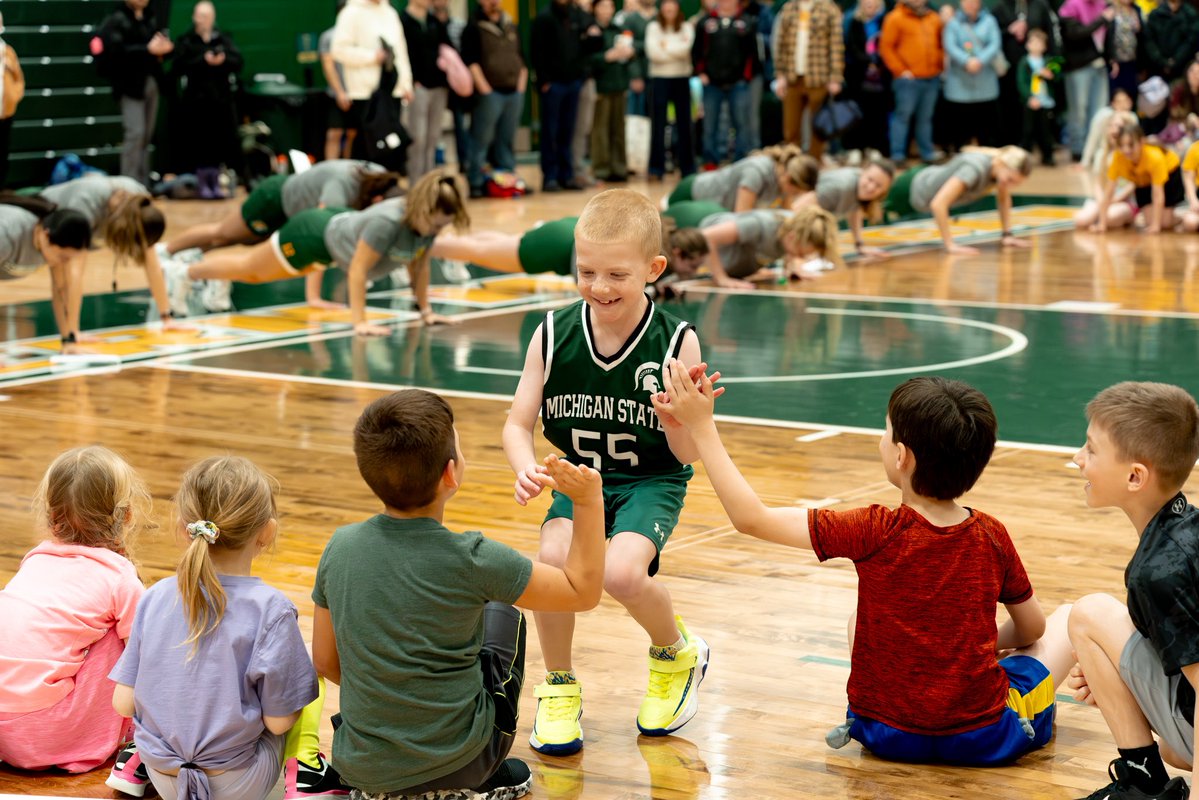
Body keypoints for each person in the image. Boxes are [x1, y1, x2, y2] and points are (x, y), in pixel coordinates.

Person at [654, 370, 1076, 766]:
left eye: (886, 431)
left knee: (863, 616)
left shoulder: (872, 529)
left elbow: (752, 518)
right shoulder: (991, 534)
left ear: (901, 456)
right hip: (982, 738)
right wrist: (974, 644)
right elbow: (1032, 628)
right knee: (1070, 618)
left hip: (883, 733)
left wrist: (702, 427)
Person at [311, 390, 606, 797]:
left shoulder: (339, 546)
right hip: (464, 760)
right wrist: (588, 502)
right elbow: (581, 592)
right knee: (501, 606)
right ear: (451, 473)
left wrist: (392, 696)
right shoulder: (475, 558)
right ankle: (477, 777)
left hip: (363, 765)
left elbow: (325, 661)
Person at [503, 189, 713, 756]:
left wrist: (676, 420)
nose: (599, 287)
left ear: (653, 269)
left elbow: (687, 453)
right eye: (586, 271)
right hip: (578, 479)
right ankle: (559, 685)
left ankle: (675, 653)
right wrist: (526, 468)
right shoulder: (552, 332)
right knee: (550, 565)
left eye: (617, 274)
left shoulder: (676, 340)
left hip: (650, 478)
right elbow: (517, 424)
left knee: (621, 575)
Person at [109, 456, 346, 800]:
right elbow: (278, 723)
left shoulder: (154, 596)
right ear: (267, 531)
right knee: (307, 666)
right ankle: (305, 767)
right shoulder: (272, 608)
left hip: (163, 775)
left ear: (184, 528)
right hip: (238, 784)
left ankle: (132, 764)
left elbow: (123, 703)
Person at [1066, 382, 1199, 800]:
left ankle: (1143, 781)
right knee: (1173, 750)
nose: (1078, 458)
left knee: (1087, 614)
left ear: (1135, 476)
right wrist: (1117, 678)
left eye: (1091, 449)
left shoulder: (1157, 573)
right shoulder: (1188, 524)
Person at [163, 172, 468, 335]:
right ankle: (185, 273)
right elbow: (358, 270)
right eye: (435, 224)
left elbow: (420, 266)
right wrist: (359, 322)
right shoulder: (387, 222)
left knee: (251, 269)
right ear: (423, 210)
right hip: (311, 235)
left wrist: (426, 312)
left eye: (442, 226)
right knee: (251, 270)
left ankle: (197, 273)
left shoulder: (426, 226)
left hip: (330, 240)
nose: (436, 231)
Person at [0, 447, 146, 773]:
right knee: (124, 636)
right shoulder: (120, 578)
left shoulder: (34, 559)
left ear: (51, 516)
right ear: (126, 515)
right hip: (45, 735)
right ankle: (133, 739)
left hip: (3, 736)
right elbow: (147, 660)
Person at [157, 160, 400, 313]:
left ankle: (204, 270)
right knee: (223, 234)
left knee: (243, 249)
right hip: (275, 200)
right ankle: (166, 252)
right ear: (377, 199)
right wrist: (313, 297)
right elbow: (324, 233)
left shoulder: (380, 178)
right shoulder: (343, 185)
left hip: (294, 215)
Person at [40, 174, 178, 328]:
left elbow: (152, 264)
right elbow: (71, 277)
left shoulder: (139, 202)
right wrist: (72, 334)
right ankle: (69, 332)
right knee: (61, 272)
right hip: (40, 220)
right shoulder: (85, 207)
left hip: (86, 216)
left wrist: (166, 318)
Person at [429, 212, 711, 278]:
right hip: (559, 246)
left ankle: (439, 244)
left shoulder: (656, 233)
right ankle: (425, 247)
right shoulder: (653, 252)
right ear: (677, 253)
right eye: (693, 265)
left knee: (504, 243)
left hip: (567, 229)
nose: (693, 271)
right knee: (479, 253)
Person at [884, 146, 1033, 253]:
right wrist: (950, 245)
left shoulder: (999, 172)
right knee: (875, 214)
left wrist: (1007, 235)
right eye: (1010, 179)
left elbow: (1004, 200)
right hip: (910, 188)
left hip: (921, 193)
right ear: (1001, 164)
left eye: (1016, 183)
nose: (1010, 186)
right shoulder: (974, 169)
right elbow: (938, 204)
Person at [171, 1, 243, 198]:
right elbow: (178, 65)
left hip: (220, 101)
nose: (202, 20)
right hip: (196, 102)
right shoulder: (187, 40)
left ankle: (216, 183)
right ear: (194, 17)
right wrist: (202, 59)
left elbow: (238, 61)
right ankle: (202, 184)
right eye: (199, 16)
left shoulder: (223, 39)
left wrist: (223, 59)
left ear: (212, 18)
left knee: (219, 143)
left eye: (206, 16)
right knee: (199, 144)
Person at [0, 197, 93, 349]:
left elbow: (62, 289)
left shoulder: (54, 241)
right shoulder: (7, 234)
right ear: (46, 236)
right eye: (63, 257)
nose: (65, 263)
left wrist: (69, 340)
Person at [531, 0, 604, 192]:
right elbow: (537, 51)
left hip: (573, 82)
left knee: (568, 132)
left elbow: (594, 42)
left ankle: (567, 175)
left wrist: (592, 30)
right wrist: (544, 80)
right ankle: (550, 176)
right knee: (551, 133)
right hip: (553, 84)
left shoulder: (576, 15)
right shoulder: (544, 18)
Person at [99, 0, 173, 186]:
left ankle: (142, 182)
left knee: (146, 136)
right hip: (130, 86)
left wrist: (164, 49)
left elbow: (158, 49)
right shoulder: (117, 20)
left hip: (151, 81)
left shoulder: (150, 18)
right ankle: (129, 185)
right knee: (135, 134)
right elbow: (116, 52)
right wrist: (147, 50)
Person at [461, 0, 528, 198]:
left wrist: (521, 86)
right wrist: (485, 89)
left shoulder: (510, 24)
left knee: (506, 140)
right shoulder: (474, 26)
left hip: (513, 92)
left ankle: (508, 182)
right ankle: (476, 181)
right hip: (490, 93)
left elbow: (521, 56)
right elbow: (471, 61)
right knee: (481, 139)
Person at [684, 204, 844, 287]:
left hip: (724, 259)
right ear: (792, 237)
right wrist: (721, 278)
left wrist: (793, 267)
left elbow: (789, 251)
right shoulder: (759, 225)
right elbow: (706, 237)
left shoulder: (795, 227)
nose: (800, 257)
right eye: (801, 253)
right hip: (690, 231)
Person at [770, 0, 845, 158]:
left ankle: (813, 164)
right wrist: (780, 75)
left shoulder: (828, 9)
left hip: (819, 78)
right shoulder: (789, 8)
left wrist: (835, 77)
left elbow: (836, 46)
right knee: (790, 129)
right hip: (792, 77)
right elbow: (780, 44)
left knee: (817, 128)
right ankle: (792, 165)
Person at [331, 0, 414, 144]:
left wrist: (406, 83)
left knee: (393, 145)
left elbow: (401, 51)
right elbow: (338, 50)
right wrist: (372, 57)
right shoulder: (350, 12)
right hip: (365, 96)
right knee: (368, 146)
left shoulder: (390, 13)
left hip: (392, 92)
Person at [692, 0, 758, 168]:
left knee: (741, 123)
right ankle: (710, 161)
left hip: (738, 83)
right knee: (710, 125)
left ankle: (740, 160)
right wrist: (701, 73)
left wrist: (746, 77)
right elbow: (696, 51)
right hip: (712, 83)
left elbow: (753, 53)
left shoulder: (747, 22)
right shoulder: (706, 22)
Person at [879, 0, 944, 164]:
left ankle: (927, 153)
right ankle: (898, 155)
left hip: (931, 77)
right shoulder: (895, 18)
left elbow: (940, 44)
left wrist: (939, 65)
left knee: (925, 118)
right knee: (903, 116)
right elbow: (886, 47)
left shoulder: (933, 17)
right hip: (908, 80)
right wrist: (900, 71)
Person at [1092, 121, 1182, 234]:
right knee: (1149, 221)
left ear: (1141, 142)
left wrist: (1156, 226)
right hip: (1143, 180)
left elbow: (1157, 194)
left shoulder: (1154, 157)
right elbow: (1109, 191)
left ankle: (1181, 216)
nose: (1126, 150)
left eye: (1131, 145)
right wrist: (1102, 223)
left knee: (1165, 223)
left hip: (1169, 175)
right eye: (1121, 145)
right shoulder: (1118, 157)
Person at [666, 145, 818, 211]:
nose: (794, 196)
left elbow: (787, 214)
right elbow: (741, 216)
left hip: (711, 206)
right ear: (789, 178)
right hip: (691, 192)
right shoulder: (757, 172)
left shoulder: (783, 179)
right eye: (796, 192)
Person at [796, 159, 895, 259]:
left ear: (884, 191)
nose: (871, 187)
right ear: (863, 172)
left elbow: (854, 210)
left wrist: (860, 245)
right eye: (870, 179)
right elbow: (798, 207)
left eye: (878, 185)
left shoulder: (858, 188)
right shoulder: (840, 187)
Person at [941, 0, 1002, 151]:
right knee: (961, 126)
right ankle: (960, 153)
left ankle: (986, 154)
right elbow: (950, 45)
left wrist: (980, 61)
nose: (970, 4)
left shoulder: (989, 21)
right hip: (959, 82)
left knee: (986, 126)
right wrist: (966, 61)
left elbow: (994, 44)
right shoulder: (953, 23)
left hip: (985, 81)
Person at [645, 0, 696, 181]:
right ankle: (655, 168)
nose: (669, 9)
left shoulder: (687, 27)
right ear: (661, 9)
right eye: (666, 6)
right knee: (658, 124)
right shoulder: (653, 27)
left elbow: (686, 50)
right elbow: (653, 53)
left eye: (672, 6)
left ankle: (687, 169)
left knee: (684, 124)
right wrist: (676, 50)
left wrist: (665, 46)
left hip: (682, 78)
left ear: (677, 9)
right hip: (659, 79)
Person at [401, 0, 451, 180]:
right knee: (418, 138)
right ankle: (416, 184)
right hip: (417, 87)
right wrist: (411, 81)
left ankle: (430, 182)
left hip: (438, 85)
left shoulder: (434, 20)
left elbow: (447, 47)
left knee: (433, 137)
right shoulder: (402, 20)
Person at [1058, 0, 1113, 163]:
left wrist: (1111, 58)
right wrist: (1101, 19)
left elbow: (1108, 36)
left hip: (1100, 65)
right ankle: (1078, 150)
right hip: (1078, 66)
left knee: (1099, 110)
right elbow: (1074, 35)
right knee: (1078, 110)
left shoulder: (1103, 5)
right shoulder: (1070, 7)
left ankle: (1093, 148)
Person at [590, 0, 638, 183]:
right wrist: (605, 57)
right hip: (601, 85)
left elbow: (632, 52)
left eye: (609, 6)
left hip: (619, 84)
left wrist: (629, 53)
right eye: (602, 6)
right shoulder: (592, 30)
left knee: (618, 129)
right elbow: (587, 58)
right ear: (595, 8)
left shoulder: (618, 29)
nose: (606, 10)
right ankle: (601, 169)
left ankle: (619, 167)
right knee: (601, 130)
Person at [1073, 105, 1137, 229]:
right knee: (1080, 220)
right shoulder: (1101, 154)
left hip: (1124, 201)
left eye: (1118, 126)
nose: (1113, 130)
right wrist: (1102, 201)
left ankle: (1116, 217)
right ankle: (1101, 216)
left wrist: (1115, 199)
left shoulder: (1129, 154)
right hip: (1104, 199)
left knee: (1110, 217)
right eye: (1110, 126)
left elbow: (1133, 184)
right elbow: (1097, 183)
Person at [843, 0, 891, 157]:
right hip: (858, 76)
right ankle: (855, 148)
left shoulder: (885, 21)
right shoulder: (852, 21)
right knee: (856, 112)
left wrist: (878, 63)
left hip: (880, 78)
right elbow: (851, 46)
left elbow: (888, 44)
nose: (869, 3)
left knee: (877, 114)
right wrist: (868, 62)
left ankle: (875, 147)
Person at [321, 1, 358, 161]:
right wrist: (340, 92)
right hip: (337, 94)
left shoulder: (359, 37)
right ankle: (331, 168)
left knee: (352, 134)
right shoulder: (329, 36)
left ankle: (349, 169)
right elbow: (328, 66)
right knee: (334, 133)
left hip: (358, 93)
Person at [1017, 29, 1059, 166]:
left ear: (1045, 46)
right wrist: (1029, 98)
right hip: (1030, 102)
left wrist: (1051, 75)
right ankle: (1023, 158)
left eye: (1039, 43)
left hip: (1045, 102)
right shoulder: (1024, 62)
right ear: (1027, 45)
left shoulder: (1049, 61)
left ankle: (1048, 155)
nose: (1035, 46)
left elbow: (1058, 77)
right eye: (1033, 42)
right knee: (1028, 130)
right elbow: (1021, 82)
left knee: (1045, 131)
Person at [0, 12, 25, 189]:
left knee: (2, 152)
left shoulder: (8, 51)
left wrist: (13, 98)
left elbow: (19, 79)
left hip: (5, 112)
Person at [1104, 0, 1141, 100]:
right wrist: (1111, 59)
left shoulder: (1136, 10)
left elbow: (1140, 35)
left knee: (1131, 92)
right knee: (1116, 93)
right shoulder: (1111, 9)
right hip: (1116, 61)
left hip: (1132, 59)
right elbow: (1108, 36)